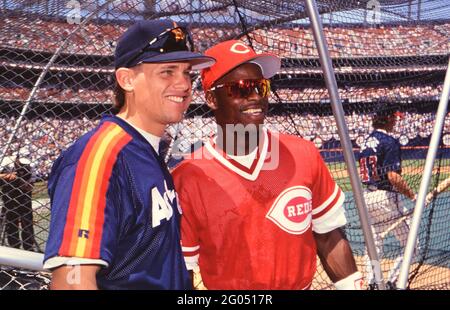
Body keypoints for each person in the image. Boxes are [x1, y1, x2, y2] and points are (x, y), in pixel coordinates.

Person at [172, 40, 362, 290]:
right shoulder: (189, 177)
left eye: (261, 87)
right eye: (240, 89)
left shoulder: (302, 154)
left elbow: (328, 236)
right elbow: (182, 269)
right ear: (211, 98)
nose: (255, 97)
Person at [43, 19, 215, 290]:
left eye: (187, 73)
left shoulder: (144, 148)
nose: (183, 85)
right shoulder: (100, 155)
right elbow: (72, 280)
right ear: (127, 80)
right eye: (167, 72)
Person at [358, 108, 416, 289]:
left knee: (374, 245)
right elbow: (393, 177)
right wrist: (413, 196)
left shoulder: (365, 142)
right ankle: (394, 281)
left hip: (367, 197)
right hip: (386, 197)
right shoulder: (389, 142)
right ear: (389, 119)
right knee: (412, 244)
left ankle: (372, 282)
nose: (396, 121)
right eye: (395, 118)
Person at [0, 153, 39, 251]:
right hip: (9, 196)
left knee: (27, 222)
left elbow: (30, 186)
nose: (23, 166)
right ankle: (14, 247)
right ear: (16, 159)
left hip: (24, 197)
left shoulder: (32, 167)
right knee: (11, 222)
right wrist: (8, 176)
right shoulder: (5, 162)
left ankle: (29, 247)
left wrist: (23, 183)